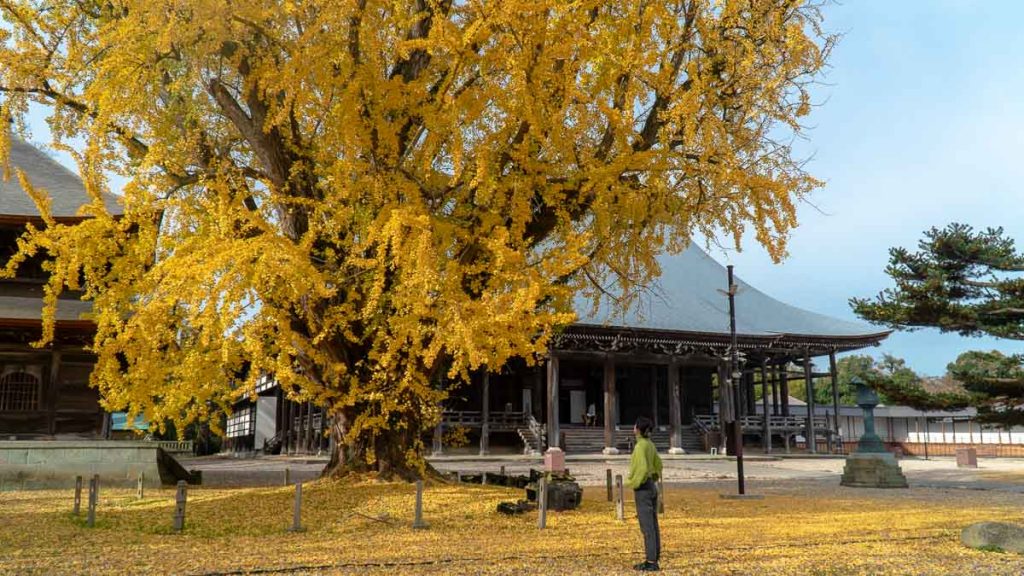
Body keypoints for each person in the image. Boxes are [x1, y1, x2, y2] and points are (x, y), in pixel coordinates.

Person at [625, 416, 662, 572]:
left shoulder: (640, 447)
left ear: (638, 429)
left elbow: (641, 469)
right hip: (651, 486)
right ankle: (654, 555)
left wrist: (632, 483)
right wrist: (654, 477)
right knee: (653, 524)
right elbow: (659, 465)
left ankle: (651, 561)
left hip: (643, 488)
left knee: (646, 526)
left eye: (634, 426)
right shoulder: (650, 445)